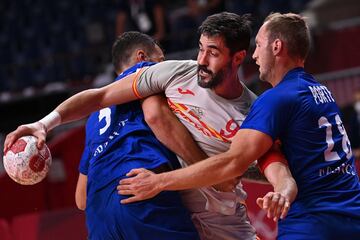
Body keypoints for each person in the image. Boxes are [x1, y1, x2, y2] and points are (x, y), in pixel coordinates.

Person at [4, 13, 297, 240]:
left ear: (238, 58)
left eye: (213, 53)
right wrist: (45, 124)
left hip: (221, 220)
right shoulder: (174, 73)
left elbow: (269, 165)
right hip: (165, 206)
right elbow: (103, 95)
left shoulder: (255, 110)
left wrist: (281, 188)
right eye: (200, 49)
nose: (201, 61)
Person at [115, 13, 360, 239]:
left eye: (260, 46)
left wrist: (158, 182)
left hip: (314, 220)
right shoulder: (322, 91)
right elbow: (281, 165)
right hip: (351, 210)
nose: (255, 55)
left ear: (276, 47)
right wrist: (282, 187)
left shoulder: (272, 100)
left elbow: (233, 163)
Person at [70, 31, 203, 239]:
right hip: (140, 192)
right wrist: (202, 168)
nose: (162, 65)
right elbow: (156, 117)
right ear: (142, 58)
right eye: (160, 60)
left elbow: (81, 199)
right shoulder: (146, 72)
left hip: (99, 218)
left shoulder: (94, 116)